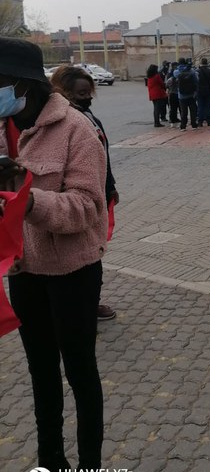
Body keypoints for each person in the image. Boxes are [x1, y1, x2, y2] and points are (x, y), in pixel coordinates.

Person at [0, 37, 108, 472]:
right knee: (41, 375)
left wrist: (26, 198)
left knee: (80, 374)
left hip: (72, 273)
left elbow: (87, 208)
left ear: (22, 85)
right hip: (23, 270)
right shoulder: (4, 127)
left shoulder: (76, 130)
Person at [50, 65, 119, 321]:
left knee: (94, 252)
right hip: (73, 203)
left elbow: (103, 158)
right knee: (80, 256)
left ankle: (90, 303)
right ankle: (83, 308)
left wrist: (110, 187)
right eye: (81, 94)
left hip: (96, 196)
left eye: (89, 92)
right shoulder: (63, 124)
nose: (88, 97)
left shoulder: (90, 118)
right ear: (63, 92)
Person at [173, 58, 198, 130]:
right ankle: (194, 125)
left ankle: (183, 126)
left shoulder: (176, 72)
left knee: (183, 111)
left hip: (181, 95)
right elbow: (196, 80)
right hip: (191, 94)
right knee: (193, 110)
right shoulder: (191, 70)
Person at [197, 57, 210, 126]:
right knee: (207, 105)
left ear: (201, 63)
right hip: (208, 90)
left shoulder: (197, 71)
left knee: (200, 105)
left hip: (199, 90)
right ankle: (208, 121)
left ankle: (200, 121)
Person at [165, 61, 181, 127]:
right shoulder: (180, 79)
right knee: (180, 107)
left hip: (172, 94)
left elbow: (166, 85)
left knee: (173, 108)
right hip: (178, 94)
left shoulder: (170, 79)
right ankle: (181, 118)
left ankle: (173, 119)